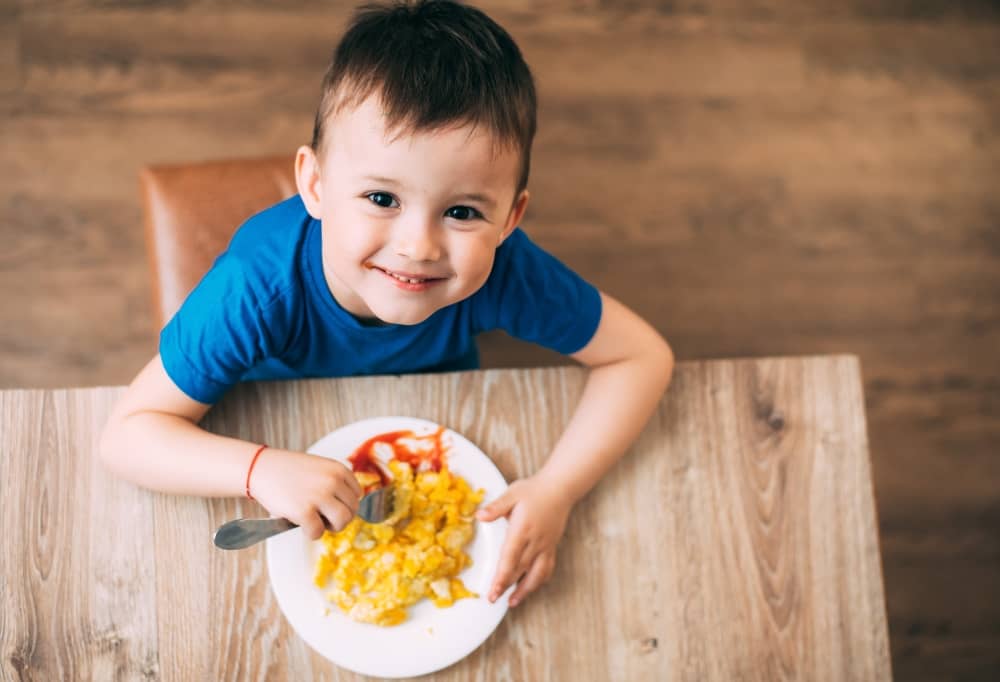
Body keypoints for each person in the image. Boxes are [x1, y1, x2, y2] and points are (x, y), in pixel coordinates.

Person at [99, 0, 673, 609]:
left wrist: (557, 490)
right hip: (270, 425)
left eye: (461, 212)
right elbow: (127, 438)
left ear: (510, 219)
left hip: (440, 418)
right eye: (381, 197)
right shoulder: (257, 287)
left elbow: (641, 358)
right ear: (316, 185)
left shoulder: (507, 271)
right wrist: (259, 470)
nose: (417, 247)